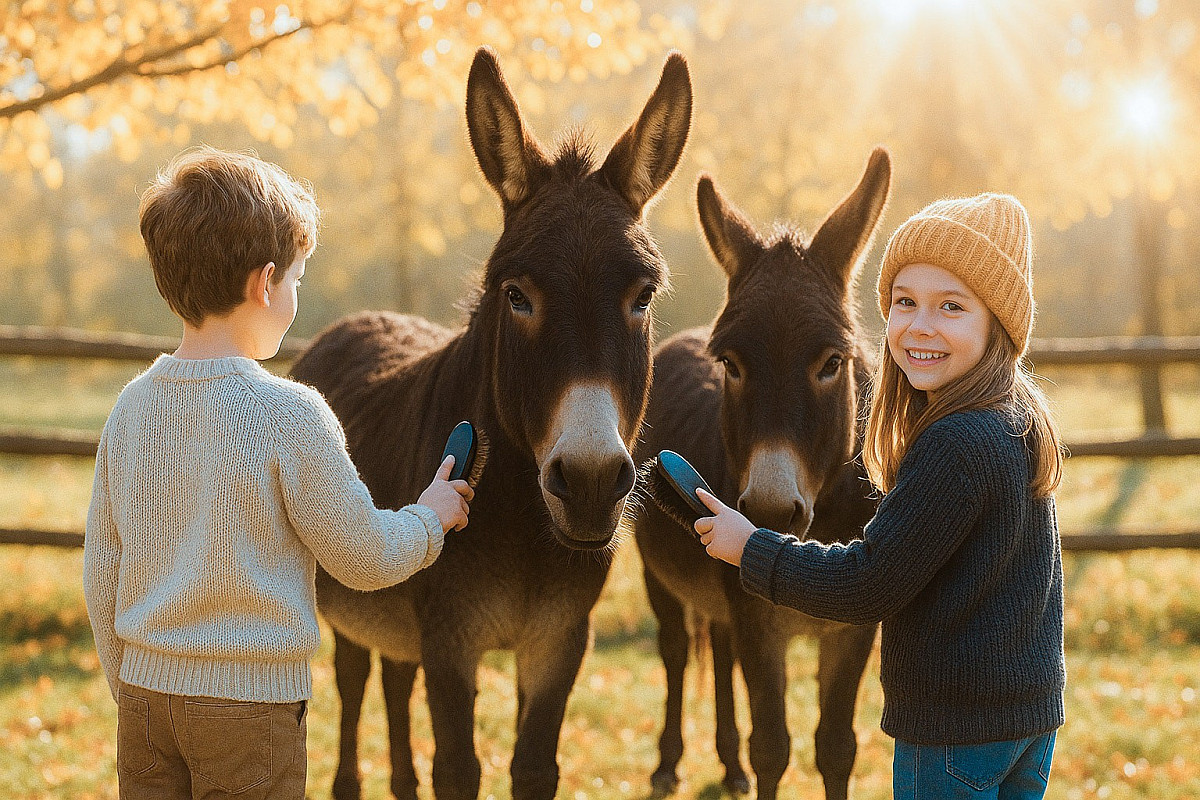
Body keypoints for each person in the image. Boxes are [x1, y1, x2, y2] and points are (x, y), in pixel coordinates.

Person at [83, 146, 474, 799]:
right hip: (249, 710)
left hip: (147, 702)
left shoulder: (132, 409)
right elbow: (364, 557)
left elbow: (103, 568)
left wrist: (133, 688)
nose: (295, 295)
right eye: (296, 280)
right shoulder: (289, 414)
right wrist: (430, 517)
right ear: (264, 284)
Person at [693, 193, 1066, 799]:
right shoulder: (1017, 417)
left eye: (951, 306)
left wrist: (753, 549)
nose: (921, 325)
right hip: (1027, 716)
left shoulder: (954, 445)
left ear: (998, 322)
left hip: (953, 733)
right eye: (904, 302)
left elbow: (868, 584)